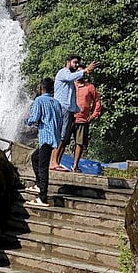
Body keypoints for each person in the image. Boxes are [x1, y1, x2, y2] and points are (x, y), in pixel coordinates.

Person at [50, 55, 97, 171]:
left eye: (78, 63)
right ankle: (53, 162)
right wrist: (85, 70)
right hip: (62, 108)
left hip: (70, 111)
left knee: (65, 138)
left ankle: (56, 162)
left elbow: (72, 98)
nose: (77, 65)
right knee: (61, 137)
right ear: (68, 62)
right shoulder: (64, 72)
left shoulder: (78, 83)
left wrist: (78, 112)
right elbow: (71, 77)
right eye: (75, 63)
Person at [24, 77, 62, 207]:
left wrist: (27, 121)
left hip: (45, 137)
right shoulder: (56, 103)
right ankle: (39, 184)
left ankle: (43, 197)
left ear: (41, 89)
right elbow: (60, 121)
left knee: (43, 167)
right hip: (54, 137)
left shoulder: (39, 100)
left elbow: (34, 118)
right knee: (35, 158)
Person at [69, 73, 102, 172]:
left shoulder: (90, 87)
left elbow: (97, 101)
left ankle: (75, 165)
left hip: (83, 119)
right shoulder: (71, 84)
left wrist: (93, 115)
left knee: (79, 143)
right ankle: (55, 162)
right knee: (62, 140)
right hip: (69, 117)